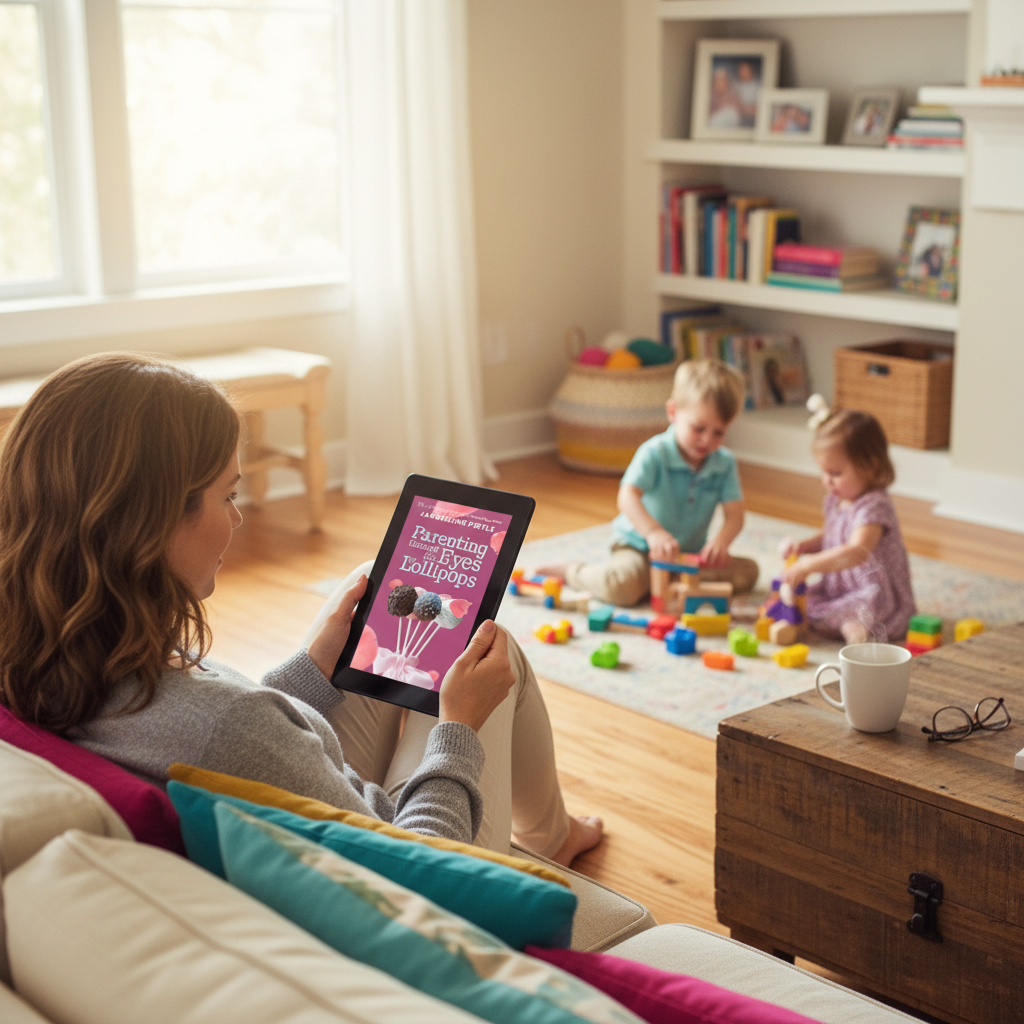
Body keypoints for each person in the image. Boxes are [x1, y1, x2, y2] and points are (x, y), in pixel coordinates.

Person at [0, 352, 601, 867]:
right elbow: (419, 874)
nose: (236, 517)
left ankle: (551, 831)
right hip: (409, 846)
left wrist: (311, 666)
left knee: (392, 623)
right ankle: (550, 837)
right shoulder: (232, 728)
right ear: (149, 523)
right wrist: (458, 729)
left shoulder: (55, 645)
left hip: (303, 802)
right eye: (227, 495)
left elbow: (228, 741)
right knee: (488, 656)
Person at [541, 358, 758, 608]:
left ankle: (670, 581)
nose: (707, 440)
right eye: (698, 428)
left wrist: (721, 542)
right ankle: (574, 572)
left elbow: (735, 514)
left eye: (718, 432)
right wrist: (653, 533)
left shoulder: (724, 462)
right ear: (673, 412)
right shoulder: (655, 452)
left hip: (686, 556)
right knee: (621, 588)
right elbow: (627, 496)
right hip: (640, 548)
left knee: (749, 572)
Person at [780, 405, 915, 644]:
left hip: (872, 590)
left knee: (860, 612)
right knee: (803, 600)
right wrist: (803, 547)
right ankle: (838, 622)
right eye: (824, 472)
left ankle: (854, 632)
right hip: (841, 586)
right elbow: (831, 535)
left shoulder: (874, 506)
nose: (827, 481)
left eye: (835, 473)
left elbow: (857, 551)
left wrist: (810, 565)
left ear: (871, 466)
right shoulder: (837, 499)